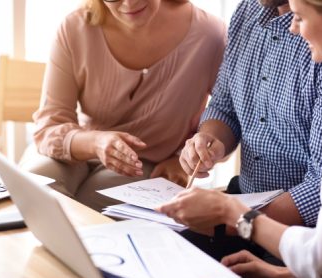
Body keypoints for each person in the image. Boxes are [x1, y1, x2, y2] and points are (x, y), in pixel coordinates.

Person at [161, 0, 322, 278]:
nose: (293, 28)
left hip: (300, 228)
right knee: (161, 260)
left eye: (299, 18)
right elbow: (223, 104)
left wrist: (230, 217)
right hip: (249, 203)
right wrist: (209, 139)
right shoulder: (249, 11)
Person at [20, 0, 226, 212]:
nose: (129, 3)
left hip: (145, 164)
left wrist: (182, 159)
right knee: (33, 186)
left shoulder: (209, 35)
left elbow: (228, 116)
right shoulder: (75, 28)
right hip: (77, 148)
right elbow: (48, 127)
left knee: (92, 204)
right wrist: (96, 143)